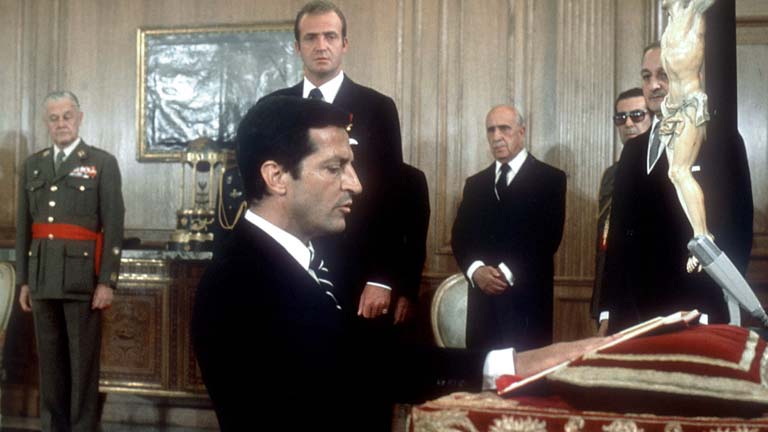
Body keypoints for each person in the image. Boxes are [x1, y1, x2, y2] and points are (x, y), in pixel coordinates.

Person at [191, 95, 607, 431]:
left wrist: (518, 363)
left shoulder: (282, 258)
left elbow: (367, 362)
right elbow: (367, 371)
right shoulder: (239, 282)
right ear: (276, 177)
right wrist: (516, 364)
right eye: (335, 168)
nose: (355, 184)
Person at [264, 0, 406, 322]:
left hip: (357, 268)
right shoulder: (273, 107)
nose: (321, 46)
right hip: (286, 265)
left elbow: (394, 198)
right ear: (297, 47)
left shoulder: (377, 108)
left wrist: (382, 277)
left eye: (330, 36)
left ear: (345, 44)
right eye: (311, 38)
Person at [601, 39, 753, 334]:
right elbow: (618, 238)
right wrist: (609, 310)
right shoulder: (633, 150)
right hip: (638, 314)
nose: (654, 85)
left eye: (664, 75)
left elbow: (738, 230)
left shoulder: (721, 141)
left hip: (701, 310)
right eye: (646, 76)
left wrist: (719, 301)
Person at [15, 90, 124, 431]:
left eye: (67, 116)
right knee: (49, 364)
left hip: (82, 279)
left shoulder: (101, 163)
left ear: (79, 118)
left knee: (82, 365)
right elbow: (24, 228)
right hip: (42, 276)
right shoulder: (33, 165)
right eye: (54, 118)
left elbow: (113, 225)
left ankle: (82, 428)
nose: (61, 123)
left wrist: (106, 281)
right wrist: (24, 281)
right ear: (46, 123)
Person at [451, 104, 567, 352]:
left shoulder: (550, 179)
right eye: (491, 130)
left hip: (526, 306)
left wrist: (504, 273)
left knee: (526, 374)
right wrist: (476, 271)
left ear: (522, 132)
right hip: (482, 308)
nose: (496, 137)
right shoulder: (475, 184)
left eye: (504, 129)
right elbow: (460, 237)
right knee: (480, 372)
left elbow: (548, 237)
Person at [591, 88, 652, 334]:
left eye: (637, 115)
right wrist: (602, 308)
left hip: (651, 298)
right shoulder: (611, 175)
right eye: (620, 117)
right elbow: (605, 245)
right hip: (613, 297)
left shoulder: (667, 168)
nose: (628, 123)